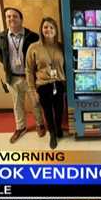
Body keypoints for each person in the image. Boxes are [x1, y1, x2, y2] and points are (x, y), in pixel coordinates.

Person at [0, 7, 45, 143]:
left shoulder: (33, 36)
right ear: (6, 19)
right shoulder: (0, 38)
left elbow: (38, 56)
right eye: (8, 16)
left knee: (36, 102)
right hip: (13, 78)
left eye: (15, 16)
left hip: (30, 77)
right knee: (17, 104)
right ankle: (21, 127)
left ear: (21, 19)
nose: (11, 19)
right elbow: (0, 56)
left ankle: (40, 124)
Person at [26, 17, 66, 149]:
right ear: (41, 29)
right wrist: (32, 90)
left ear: (55, 30)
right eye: (45, 27)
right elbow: (29, 70)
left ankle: (59, 128)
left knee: (59, 110)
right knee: (48, 112)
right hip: (43, 86)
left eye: (51, 27)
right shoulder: (34, 47)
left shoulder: (61, 46)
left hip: (59, 83)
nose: (48, 29)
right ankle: (52, 134)